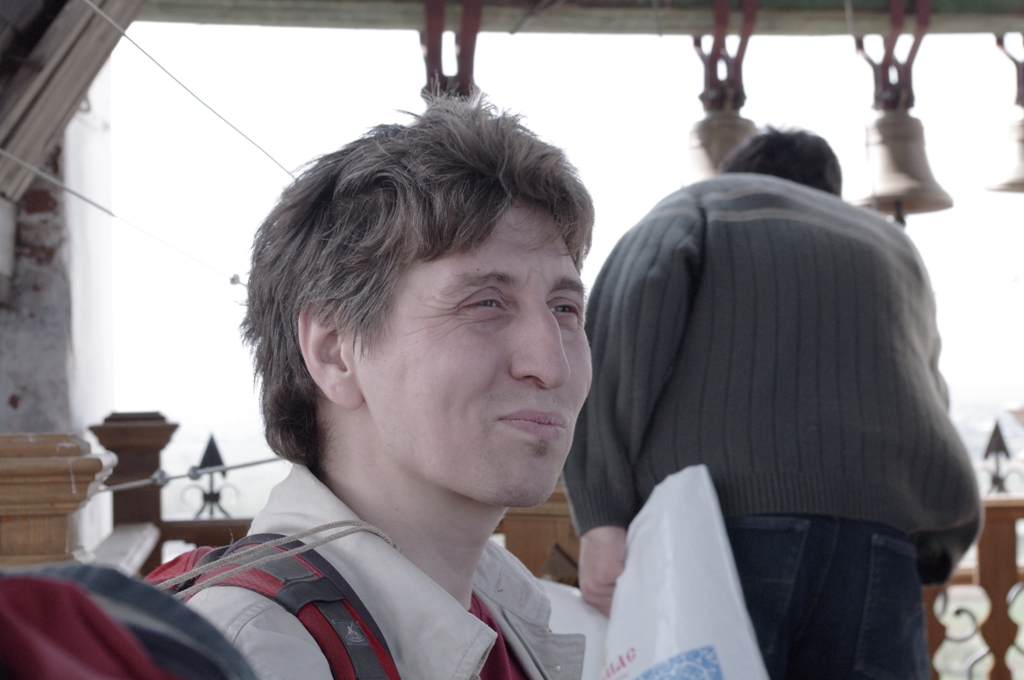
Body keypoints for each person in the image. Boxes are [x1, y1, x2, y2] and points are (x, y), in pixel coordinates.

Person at [187, 96, 595, 680]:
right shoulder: (253, 656)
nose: (551, 366)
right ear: (335, 352)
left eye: (565, 309)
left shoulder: (505, 613)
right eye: (485, 304)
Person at [563, 128, 981, 679]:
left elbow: (622, 331)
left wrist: (602, 515)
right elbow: (926, 394)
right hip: (879, 545)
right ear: (831, 191)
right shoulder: (894, 246)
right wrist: (938, 542)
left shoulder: (704, 203)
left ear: (740, 170)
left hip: (718, 532)